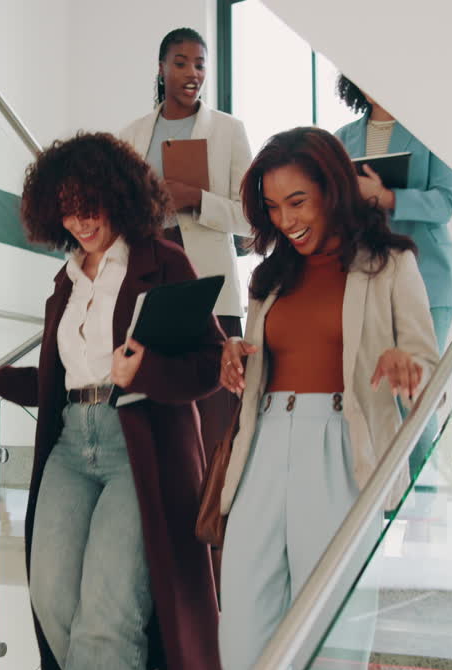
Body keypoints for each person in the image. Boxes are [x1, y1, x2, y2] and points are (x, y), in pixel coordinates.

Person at [0, 132, 227, 670]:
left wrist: (145, 368)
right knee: (52, 598)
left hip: (137, 447)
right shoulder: (65, 282)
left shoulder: (162, 262)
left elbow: (209, 364)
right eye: (67, 209)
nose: (80, 221)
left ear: (118, 196)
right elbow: (62, 377)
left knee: (108, 611)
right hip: (72, 445)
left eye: (90, 204)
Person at [214, 127, 439, 670]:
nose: (285, 219)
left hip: (341, 447)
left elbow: (429, 366)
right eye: (271, 206)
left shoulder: (389, 264)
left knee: (329, 639)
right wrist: (235, 358)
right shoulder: (269, 279)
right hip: (262, 444)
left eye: (298, 201)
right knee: (241, 633)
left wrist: (405, 366)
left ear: (332, 190)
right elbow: (261, 360)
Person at [117, 27, 253, 465]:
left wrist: (197, 199)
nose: (192, 73)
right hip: (150, 277)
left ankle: (219, 520)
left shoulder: (230, 131)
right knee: (156, 404)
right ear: (161, 69)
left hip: (210, 282)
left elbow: (252, 216)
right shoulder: (131, 134)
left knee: (217, 412)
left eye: (200, 64)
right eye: (181, 63)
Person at [331, 75, 452, 350]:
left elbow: (445, 203)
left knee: (421, 384)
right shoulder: (341, 139)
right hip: (365, 273)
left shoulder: (432, 132)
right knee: (378, 385)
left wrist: (387, 198)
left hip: (427, 272)